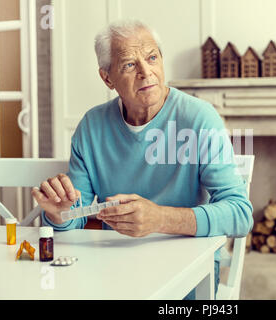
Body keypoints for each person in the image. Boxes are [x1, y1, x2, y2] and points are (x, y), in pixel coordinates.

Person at [31, 19, 253, 299]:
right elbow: (76, 218)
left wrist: (160, 218)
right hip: (113, 268)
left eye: (152, 58)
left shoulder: (199, 118)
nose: (146, 72)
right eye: (129, 65)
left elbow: (240, 215)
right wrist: (58, 213)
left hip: (189, 272)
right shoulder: (91, 127)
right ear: (107, 78)